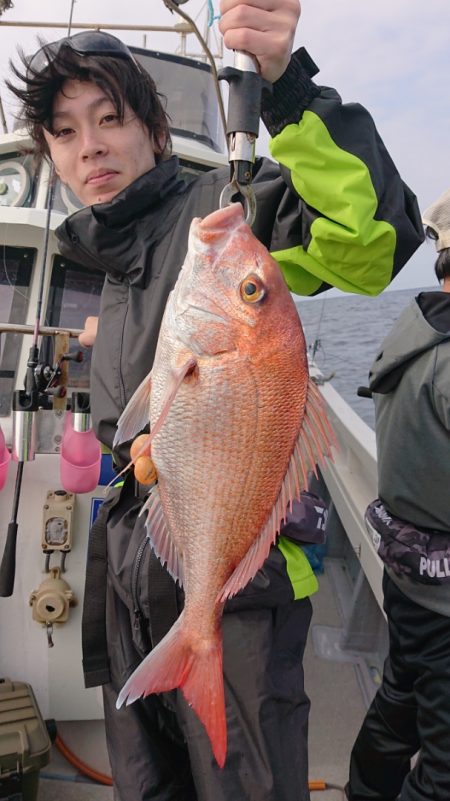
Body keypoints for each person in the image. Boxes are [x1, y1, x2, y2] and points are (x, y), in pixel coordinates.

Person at [8, 2, 423, 799]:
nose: (90, 144)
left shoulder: (223, 214)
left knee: (244, 782)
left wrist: (287, 86)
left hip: (238, 586)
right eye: (66, 131)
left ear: (154, 132)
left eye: (110, 118)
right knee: (148, 784)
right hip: (129, 572)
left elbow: (368, 241)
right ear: (52, 154)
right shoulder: (104, 252)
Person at [346, 187, 450, 801]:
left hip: (410, 581)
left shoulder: (414, 333)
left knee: (399, 702)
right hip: (444, 606)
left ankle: (364, 792)